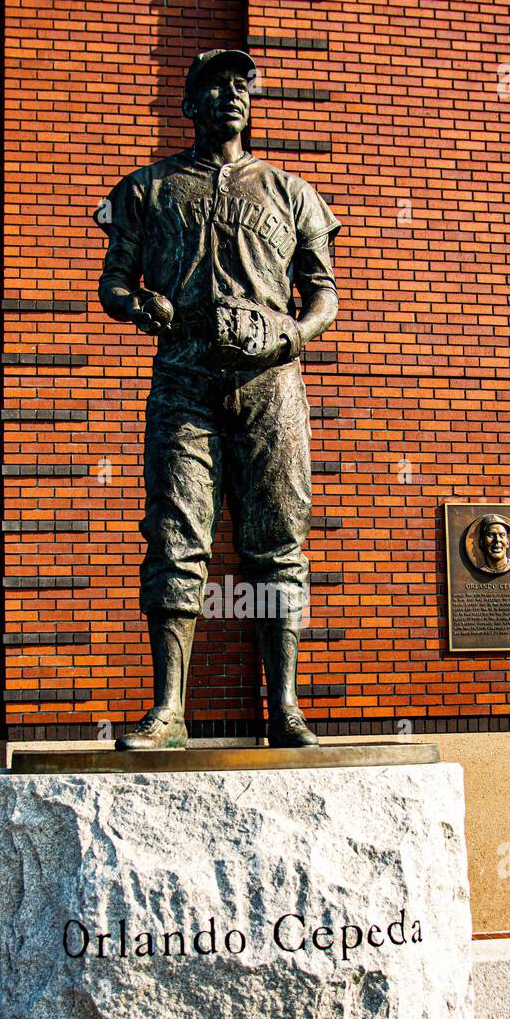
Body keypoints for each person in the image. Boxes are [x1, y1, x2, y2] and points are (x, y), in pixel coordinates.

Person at [95, 48, 341, 748]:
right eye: (214, 85)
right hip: (184, 376)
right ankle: (170, 708)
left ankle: (285, 706)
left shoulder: (291, 192)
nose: (230, 95)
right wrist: (140, 305)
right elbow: (114, 283)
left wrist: (290, 336)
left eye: (242, 85)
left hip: (271, 380)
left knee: (278, 543)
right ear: (189, 103)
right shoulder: (148, 188)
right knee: (175, 538)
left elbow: (324, 294)